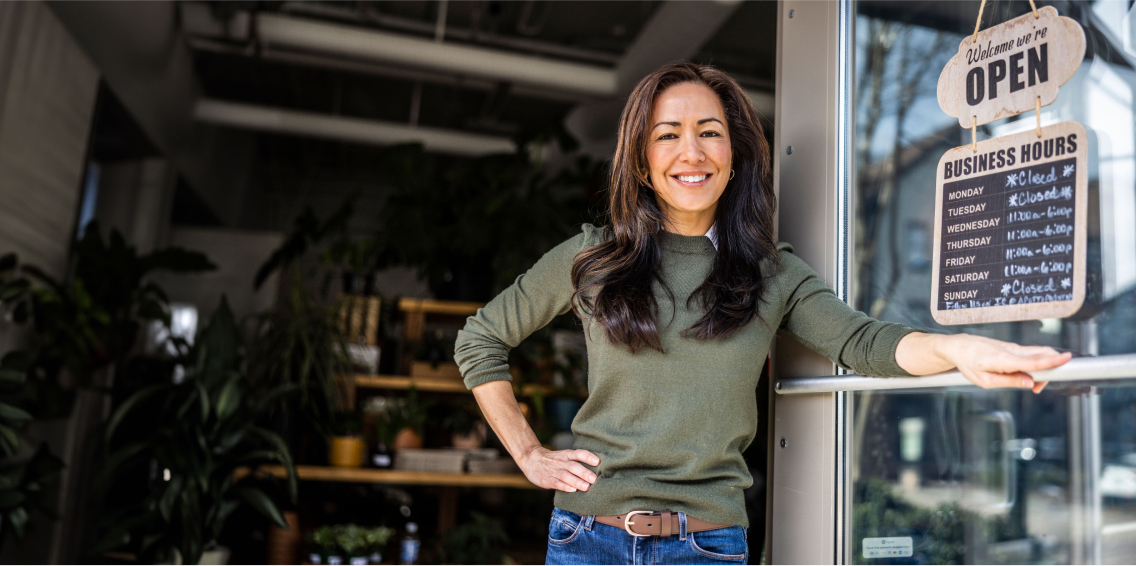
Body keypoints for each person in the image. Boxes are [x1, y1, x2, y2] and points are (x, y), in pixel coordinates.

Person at [453, 62, 1070, 566]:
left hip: (708, 547)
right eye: (667, 134)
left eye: (709, 131)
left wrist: (962, 349)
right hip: (586, 538)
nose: (690, 152)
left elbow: (867, 342)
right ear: (642, 160)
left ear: (735, 151)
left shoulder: (771, 275)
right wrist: (529, 453)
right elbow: (479, 340)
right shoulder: (591, 259)